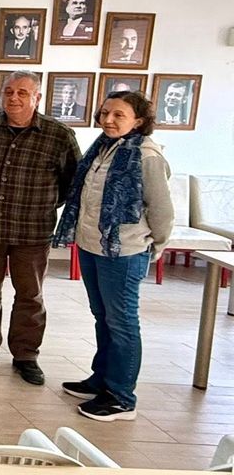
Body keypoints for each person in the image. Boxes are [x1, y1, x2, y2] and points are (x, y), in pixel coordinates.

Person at [0, 70, 80, 386]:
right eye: (9, 91)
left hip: (32, 231)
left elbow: (71, 182)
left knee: (30, 294)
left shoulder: (59, 135)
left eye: (22, 93)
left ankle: (26, 355)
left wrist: (41, 204)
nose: (13, 98)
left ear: (37, 97)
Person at [54, 90, 173, 422]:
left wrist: (156, 244)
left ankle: (121, 397)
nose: (108, 119)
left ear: (139, 120)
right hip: (93, 245)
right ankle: (102, 380)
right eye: (105, 113)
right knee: (102, 316)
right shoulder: (103, 147)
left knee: (122, 322)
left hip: (125, 251)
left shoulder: (146, 155)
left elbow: (161, 209)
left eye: (118, 115)